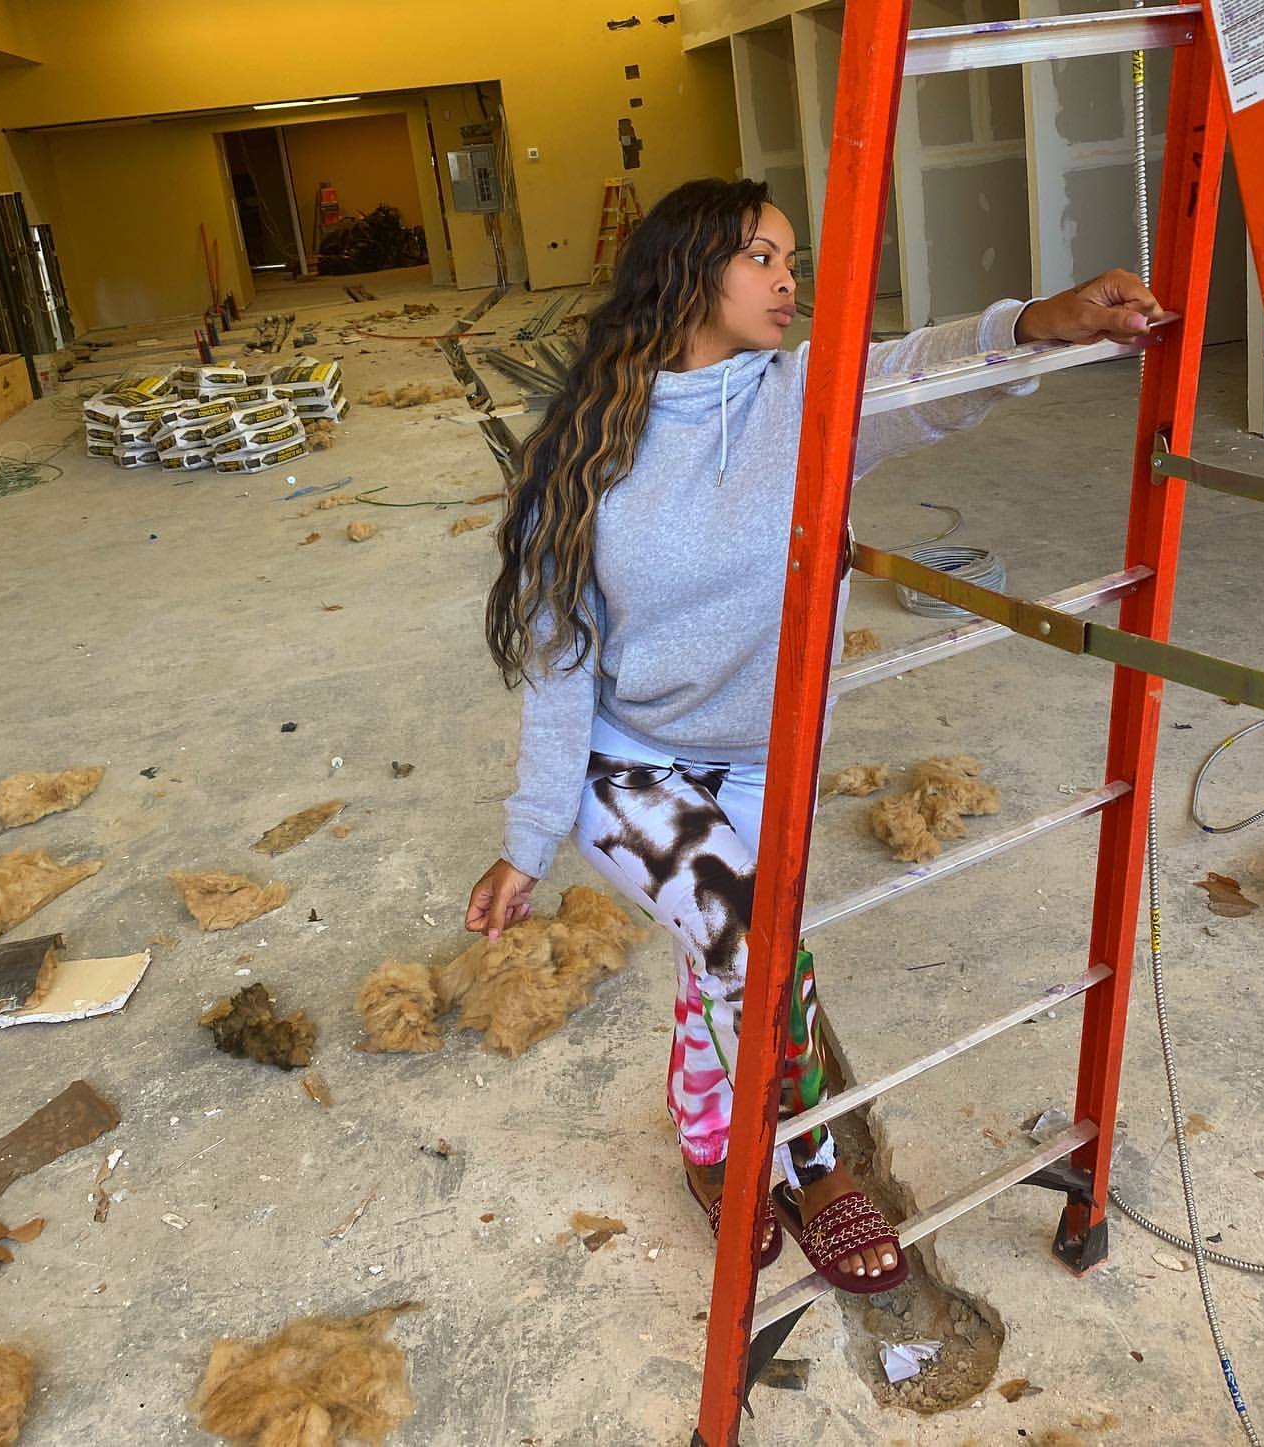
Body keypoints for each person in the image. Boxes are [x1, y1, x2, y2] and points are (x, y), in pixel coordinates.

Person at [466, 177, 1162, 1293]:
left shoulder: (805, 402)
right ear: (687, 271)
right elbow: (557, 659)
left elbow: (926, 376)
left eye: (792, 259)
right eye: (760, 256)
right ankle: (814, 1164)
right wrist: (531, 833)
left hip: (761, 764)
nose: (788, 280)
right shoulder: (586, 446)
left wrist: (1043, 321)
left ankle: (707, 1146)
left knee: (720, 960)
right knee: (754, 949)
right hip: (627, 768)